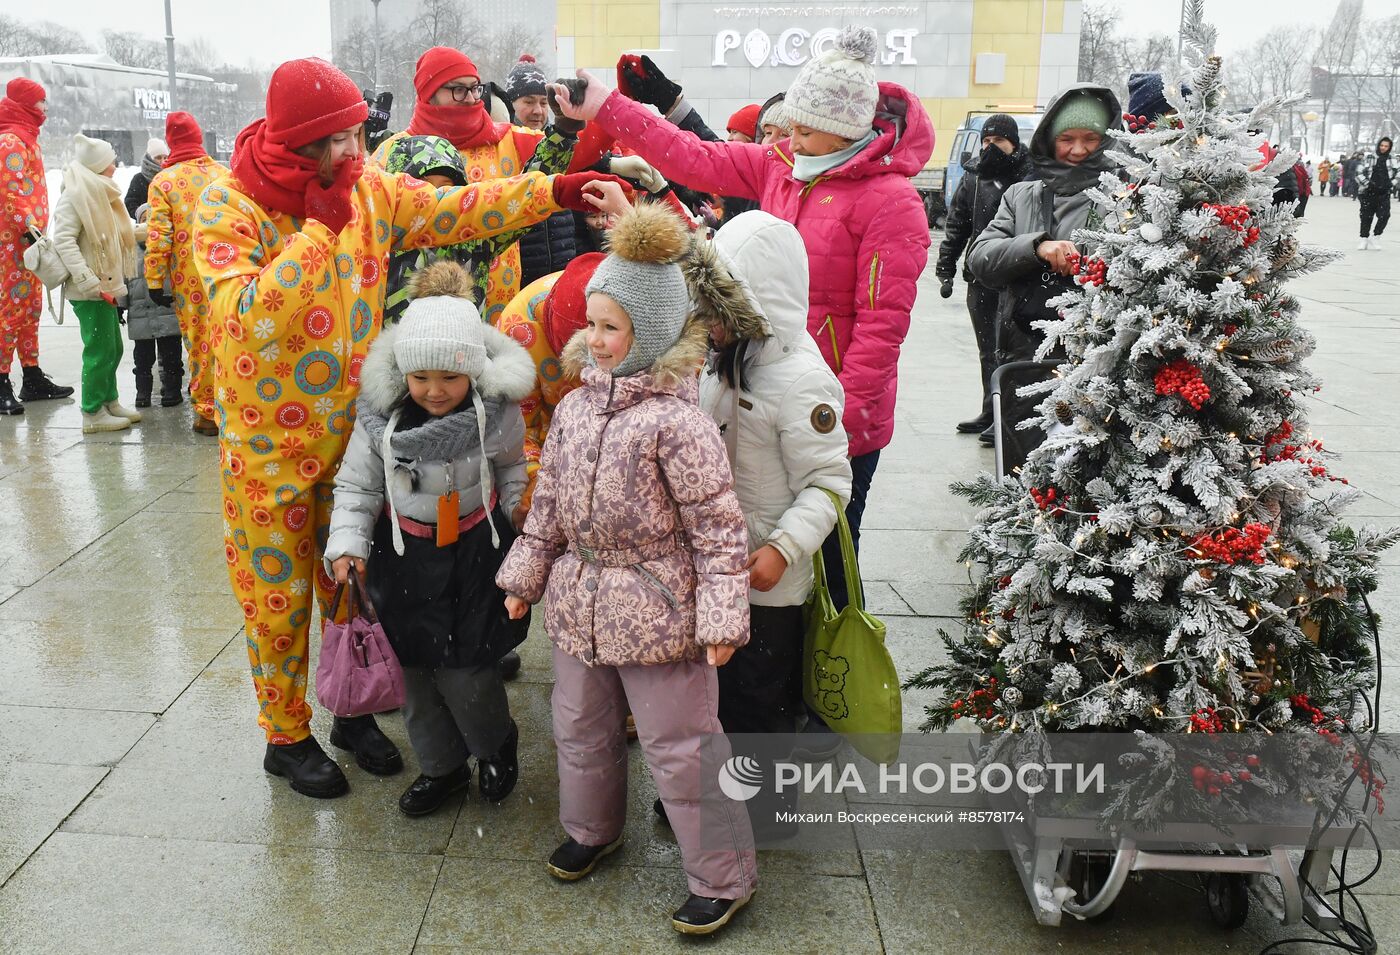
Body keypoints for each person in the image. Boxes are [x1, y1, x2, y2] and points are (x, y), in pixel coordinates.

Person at [194, 56, 628, 799]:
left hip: (362, 428)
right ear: (299, 144)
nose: (354, 156)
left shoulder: (367, 192)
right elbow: (241, 322)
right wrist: (314, 236)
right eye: (336, 142)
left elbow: (462, 210)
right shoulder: (228, 207)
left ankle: (352, 711)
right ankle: (284, 733)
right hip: (270, 449)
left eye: (358, 137)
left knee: (351, 581)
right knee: (275, 597)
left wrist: (553, 189)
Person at [559, 26, 933, 615]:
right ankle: (765, 664)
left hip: (830, 403)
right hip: (757, 386)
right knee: (760, 534)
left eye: (806, 130)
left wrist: (846, 421)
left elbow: (881, 326)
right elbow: (693, 155)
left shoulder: (892, 201)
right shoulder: (781, 168)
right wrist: (610, 106)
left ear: (850, 127)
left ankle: (830, 679)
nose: (792, 140)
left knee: (831, 544)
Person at [496, 203, 758, 936]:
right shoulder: (578, 407)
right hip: (580, 601)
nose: (596, 339)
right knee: (579, 725)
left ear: (656, 333)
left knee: (683, 746)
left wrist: (721, 615)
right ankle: (591, 827)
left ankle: (723, 872)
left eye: (613, 327)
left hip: (658, 608)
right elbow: (548, 501)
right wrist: (524, 578)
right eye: (593, 324)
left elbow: (716, 526)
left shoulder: (680, 423)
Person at [325, 262, 533, 816]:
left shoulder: (497, 415)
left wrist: (517, 508)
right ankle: (439, 767)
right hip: (403, 556)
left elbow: (513, 468)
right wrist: (348, 544)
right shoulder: (380, 423)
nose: (435, 392)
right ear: (401, 375)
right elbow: (358, 486)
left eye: (449, 378)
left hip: (473, 555)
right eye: (421, 379)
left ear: (473, 373)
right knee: (414, 675)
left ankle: (493, 746)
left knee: (470, 672)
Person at [687, 209, 852, 834]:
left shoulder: (803, 381)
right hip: (715, 566)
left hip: (770, 580)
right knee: (713, 692)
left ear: (760, 307)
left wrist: (784, 548)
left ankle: (761, 806)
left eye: (719, 310)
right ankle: (713, 788)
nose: (707, 323)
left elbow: (831, 483)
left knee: (760, 698)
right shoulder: (721, 359)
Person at [373, 46, 587, 322]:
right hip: (408, 325)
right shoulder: (392, 152)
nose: (471, 98)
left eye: (475, 88)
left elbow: (528, 194)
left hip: (494, 309)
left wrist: (566, 129)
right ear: (430, 92)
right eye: (458, 89)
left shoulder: (505, 140)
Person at [968, 84, 1123, 370]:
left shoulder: (1125, 198)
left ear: (1106, 141)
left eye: (1091, 138)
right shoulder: (1020, 196)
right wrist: (1036, 247)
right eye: (1066, 138)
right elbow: (981, 258)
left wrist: (1084, 260)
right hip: (1024, 357)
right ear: (1049, 140)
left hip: (1098, 364)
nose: (1078, 150)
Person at [935, 113, 1034, 441]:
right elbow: (957, 223)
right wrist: (946, 266)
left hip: (1015, 279)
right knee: (987, 349)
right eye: (986, 142)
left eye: (999, 141)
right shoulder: (974, 175)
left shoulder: (1027, 174)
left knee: (1008, 352)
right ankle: (990, 410)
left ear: (1014, 143)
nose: (991, 148)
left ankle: (1007, 418)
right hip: (980, 277)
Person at [144, 110, 228, 433]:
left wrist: (154, 279)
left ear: (171, 141)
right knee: (227, 336)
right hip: (226, 266)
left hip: (189, 276)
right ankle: (231, 403)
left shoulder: (163, 182)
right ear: (199, 138)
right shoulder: (223, 173)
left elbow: (158, 236)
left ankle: (208, 412)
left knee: (200, 340)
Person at [51, 134, 140, 434]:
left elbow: (117, 233)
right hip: (91, 290)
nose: (115, 166)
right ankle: (92, 412)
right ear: (97, 166)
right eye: (110, 161)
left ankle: (109, 401)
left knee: (112, 348)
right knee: (99, 350)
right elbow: (63, 241)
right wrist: (88, 281)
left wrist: (148, 231)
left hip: (106, 285)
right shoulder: (75, 196)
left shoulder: (100, 193)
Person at [0, 77, 72, 414]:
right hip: (13, 244)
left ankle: (31, 376)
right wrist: (28, 229)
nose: (45, 107)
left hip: (28, 242)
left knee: (29, 309)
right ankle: (1, 382)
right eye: (40, 101)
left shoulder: (26, 137)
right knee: (9, 312)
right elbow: (10, 192)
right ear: (26, 103)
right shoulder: (11, 140)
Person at [126, 204, 183, 408]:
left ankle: (173, 390)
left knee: (172, 359)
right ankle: (143, 393)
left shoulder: (169, 247)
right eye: (144, 218)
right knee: (142, 361)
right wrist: (121, 304)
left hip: (168, 313)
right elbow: (125, 278)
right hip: (140, 315)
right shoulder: (130, 250)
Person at [1359, 137, 1392, 250]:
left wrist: (1391, 183)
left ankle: (1376, 236)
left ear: (1389, 147)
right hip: (1369, 192)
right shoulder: (1369, 157)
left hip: (1384, 192)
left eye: (1386, 146)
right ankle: (1363, 239)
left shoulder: (1393, 159)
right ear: (1378, 145)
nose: (1383, 148)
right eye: (1382, 145)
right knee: (1366, 216)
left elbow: (1398, 173)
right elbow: (1359, 172)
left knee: (1384, 216)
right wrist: (1367, 184)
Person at [124, 137, 168, 220]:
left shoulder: (171, 177)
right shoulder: (139, 179)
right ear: (150, 159)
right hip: (145, 228)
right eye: (158, 157)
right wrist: (143, 214)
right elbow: (129, 204)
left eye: (165, 158)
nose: (163, 161)